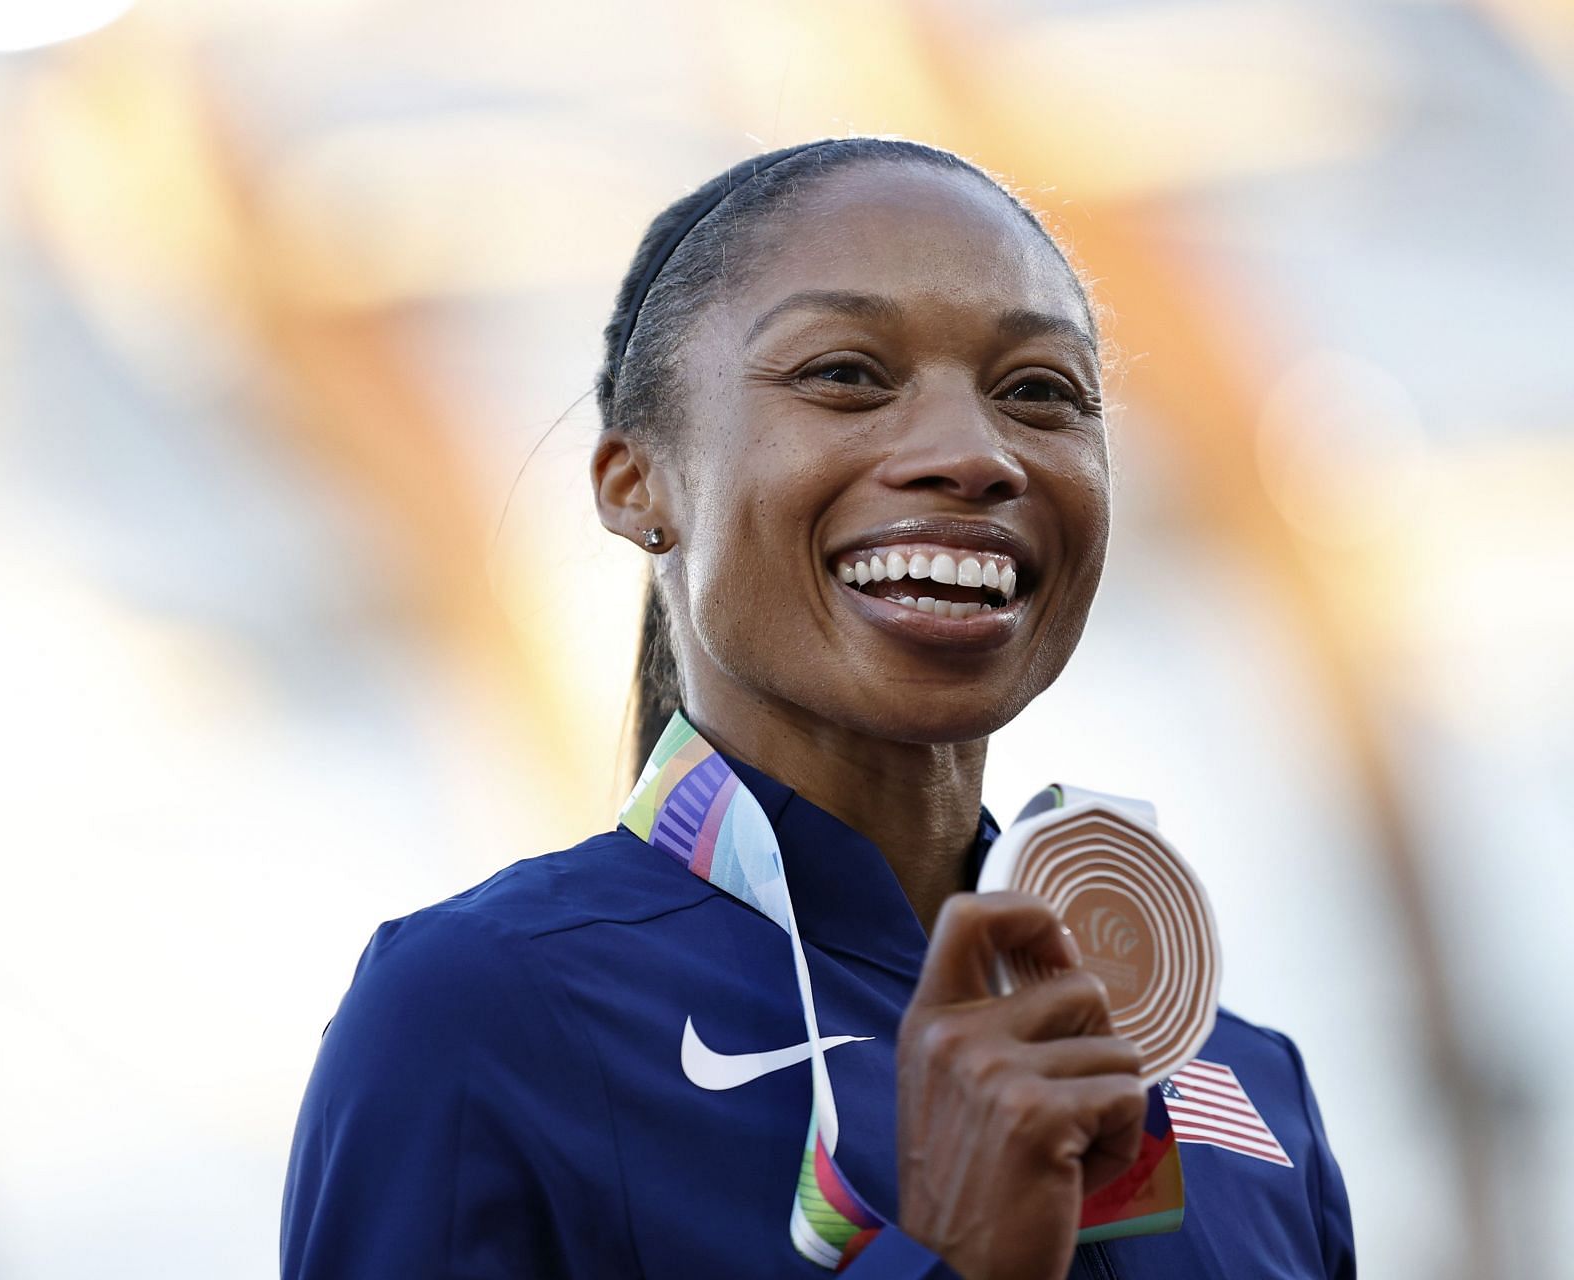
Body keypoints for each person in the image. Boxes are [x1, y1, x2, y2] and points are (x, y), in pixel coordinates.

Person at [278, 137, 1356, 1279]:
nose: (974, 455)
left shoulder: (1241, 1083)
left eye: (1040, 391)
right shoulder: (489, 1013)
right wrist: (954, 1260)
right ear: (634, 480)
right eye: (846, 373)